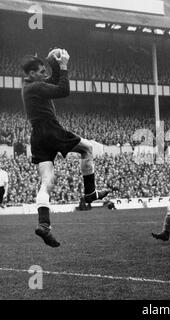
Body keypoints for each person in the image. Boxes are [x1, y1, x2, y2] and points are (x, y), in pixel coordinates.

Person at [21, 49, 109, 248]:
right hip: (51, 130)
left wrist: (53, 63)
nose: (44, 74)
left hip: (37, 136)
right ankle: (90, 193)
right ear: (32, 73)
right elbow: (63, 90)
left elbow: (52, 81)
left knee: (47, 182)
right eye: (41, 71)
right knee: (87, 149)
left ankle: (44, 225)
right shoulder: (36, 86)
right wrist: (63, 66)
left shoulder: (29, 86)